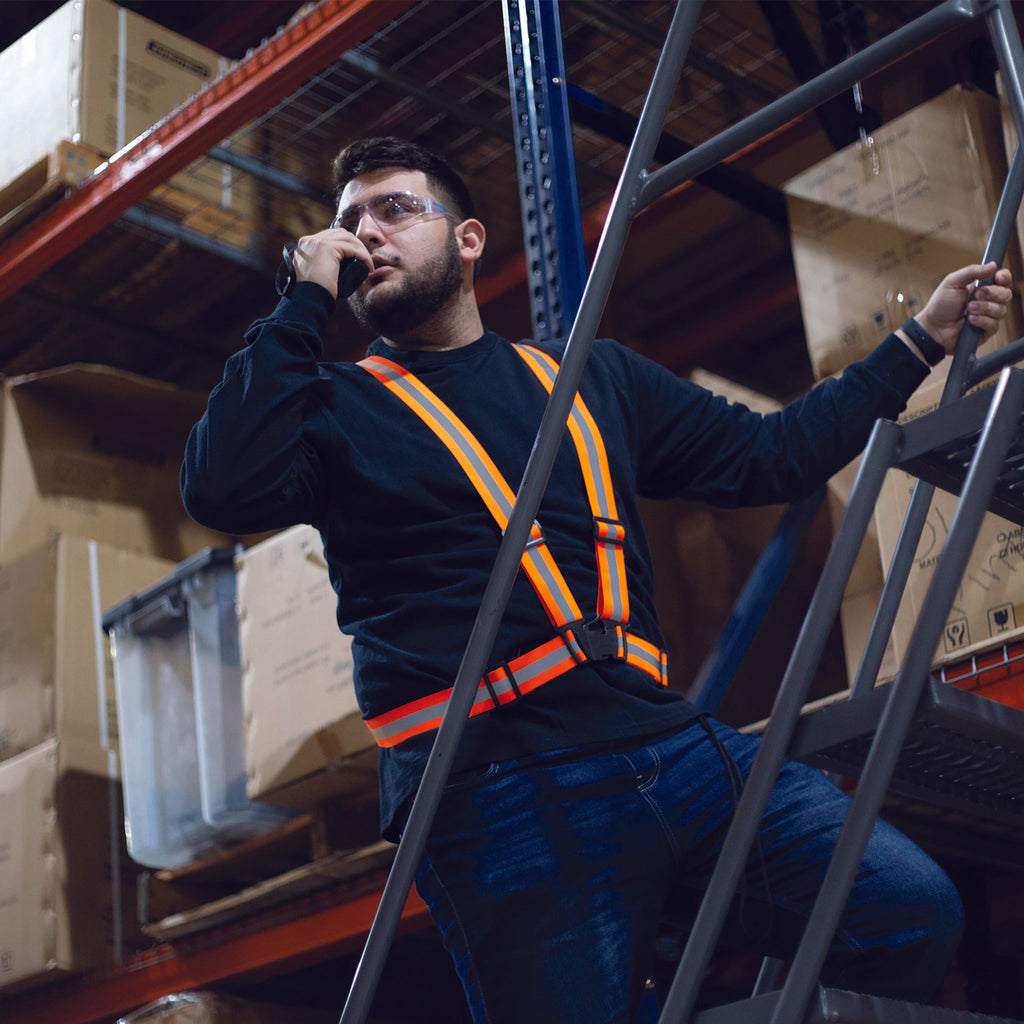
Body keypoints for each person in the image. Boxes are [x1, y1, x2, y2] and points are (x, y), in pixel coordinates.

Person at [180, 136, 1014, 1024]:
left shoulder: (588, 379)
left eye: (393, 209)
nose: (364, 234)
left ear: (467, 240)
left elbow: (773, 459)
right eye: (347, 223)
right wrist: (302, 298)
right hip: (497, 793)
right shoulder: (332, 410)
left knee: (906, 910)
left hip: (670, 749)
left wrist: (920, 339)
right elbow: (222, 485)